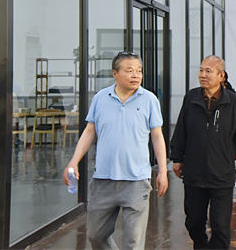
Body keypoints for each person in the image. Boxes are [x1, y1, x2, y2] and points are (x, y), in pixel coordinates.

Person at [63, 51, 168, 250]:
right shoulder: (101, 98)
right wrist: (74, 161)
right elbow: (89, 131)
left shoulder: (149, 100)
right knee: (95, 236)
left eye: (139, 71)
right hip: (103, 180)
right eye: (130, 71)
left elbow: (157, 136)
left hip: (136, 181)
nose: (136, 75)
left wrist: (162, 171)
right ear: (115, 74)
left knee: (133, 242)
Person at [170, 55, 236, 249]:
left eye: (208, 71)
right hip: (194, 173)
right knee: (193, 223)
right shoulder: (191, 98)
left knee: (220, 226)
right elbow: (181, 130)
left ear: (221, 76)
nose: (203, 75)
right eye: (201, 70)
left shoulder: (232, 101)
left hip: (221, 174)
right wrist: (176, 158)